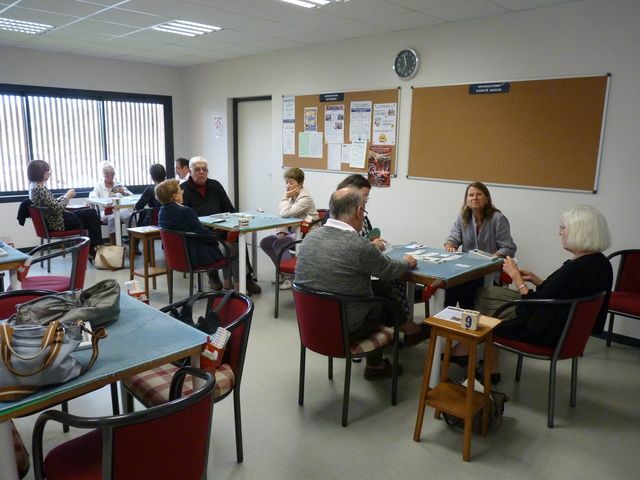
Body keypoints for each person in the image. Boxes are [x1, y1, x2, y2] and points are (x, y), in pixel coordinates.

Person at [452, 205, 613, 384]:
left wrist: (516, 278)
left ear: (579, 231)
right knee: (488, 293)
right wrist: (538, 281)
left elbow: (530, 308)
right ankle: (482, 362)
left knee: (487, 307)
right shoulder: (600, 263)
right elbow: (564, 294)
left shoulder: (576, 268)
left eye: (563, 228)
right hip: (565, 329)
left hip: (543, 331)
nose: (560, 233)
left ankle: (477, 360)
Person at [295, 188, 417, 379]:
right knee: (383, 296)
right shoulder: (359, 245)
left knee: (377, 288)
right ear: (359, 212)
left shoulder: (310, 238)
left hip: (310, 324)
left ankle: (398, 340)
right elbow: (389, 270)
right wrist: (407, 262)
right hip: (348, 327)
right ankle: (401, 338)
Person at [334, 174, 426, 346]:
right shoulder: (354, 240)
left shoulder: (312, 239)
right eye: (364, 197)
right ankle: (405, 327)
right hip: (350, 317)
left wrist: (372, 242)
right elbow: (385, 267)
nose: (365, 201)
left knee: (385, 285)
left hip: (318, 319)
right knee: (383, 289)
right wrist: (406, 262)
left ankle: (402, 327)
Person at [180, 156, 261, 294]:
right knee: (230, 247)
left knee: (237, 239)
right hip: (201, 234)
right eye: (197, 169)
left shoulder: (215, 185)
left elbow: (230, 208)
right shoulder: (183, 189)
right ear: (190, 171)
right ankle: (216, 276)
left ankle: (243, 278)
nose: (201, 172)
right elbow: (186, 218)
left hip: (222, 228)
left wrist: (228, 225)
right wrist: (207, 229)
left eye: (204, 169)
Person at [444, 181, 516, 309]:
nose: (474, 198)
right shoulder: (463, 216)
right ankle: (446, 318)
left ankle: (469, 318)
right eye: (471, 195)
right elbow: (453, 238)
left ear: (487, 198)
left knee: (464, 288)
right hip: (467, 270)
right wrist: (450, 246)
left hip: (489, 273)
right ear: (466, 199)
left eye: (479, 194)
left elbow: (508, 247)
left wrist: (491, 258)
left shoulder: (498, 218)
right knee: (449, 284)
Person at [27, 159, 102, 259]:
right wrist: (68, 197)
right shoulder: (40, 188)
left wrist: (64, 196)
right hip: (58, 223)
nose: (49, 173)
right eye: (47, 170)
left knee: (90, 215)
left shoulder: (33, 187)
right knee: (92, 215)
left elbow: (50, 204)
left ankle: (92, 251)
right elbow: (59, 209)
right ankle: (96, 251)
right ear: (41, 173)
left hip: (53, 221)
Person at [259, 167, 319, 290]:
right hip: (294, 230)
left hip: (308, 233)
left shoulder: (305, 198)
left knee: (279, 244)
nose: (288, 186)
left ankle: (291, 277)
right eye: (286, 182)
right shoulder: (292, 195)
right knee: (265, 243)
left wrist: (284, 197)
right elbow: (285, 217)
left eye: (291, 182)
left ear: (300, 183)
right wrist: (282, 231)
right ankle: (282, 272)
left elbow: (285, 213)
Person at [155, 179, 225, 268]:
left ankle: (215, 276)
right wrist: (215, 236)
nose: (182, 193)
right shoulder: (186, 211)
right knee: (230, 248)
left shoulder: (162, 212)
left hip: (177, 258)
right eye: (180, 191)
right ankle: (232, 277)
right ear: (175, 196)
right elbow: (202, 233)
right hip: (195, 257)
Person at [89, 162, 133, 245]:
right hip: (106, 211)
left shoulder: (118, 184)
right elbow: (92, 196)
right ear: (104, 175)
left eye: (112, 174)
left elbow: (131, 195)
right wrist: (100, 200)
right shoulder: (99, 186)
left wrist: (124, 193)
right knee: (112, 217)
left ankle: (134, 243)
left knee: (129, 216)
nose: (111, 176)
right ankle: (115, 245)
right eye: (108, 175)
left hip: (119, 209)